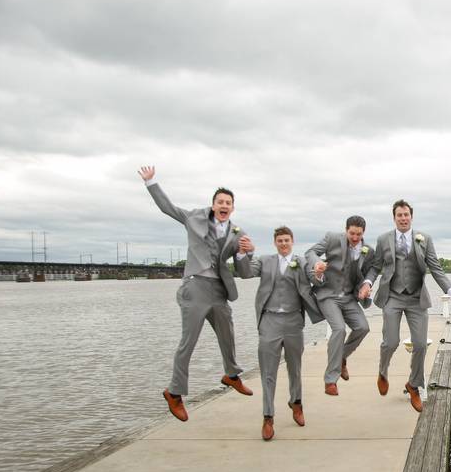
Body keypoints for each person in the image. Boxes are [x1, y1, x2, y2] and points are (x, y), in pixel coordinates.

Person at [137, 165, 254, 423]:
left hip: (219, 291)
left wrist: (246, 252)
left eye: (229, 203)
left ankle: (231, 375)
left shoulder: (238, 233)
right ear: (213, 205)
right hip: (196, 287)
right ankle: (174, 392)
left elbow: (245, 272)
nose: (224, 205)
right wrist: (151, 182)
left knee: (228, 332)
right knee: (188, 342)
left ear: (232, 208)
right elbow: (168, 208)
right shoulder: (194, 218)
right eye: (220, 201)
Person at [363, 200, 451, 412]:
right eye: (399, 215)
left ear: (411, 216)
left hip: (416, 298)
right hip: (392, 296)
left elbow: (435, 268)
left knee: (420, 344)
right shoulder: (383, 240)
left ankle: (414, 385)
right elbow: (375, 267)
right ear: (394, 217)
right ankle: (383, 371)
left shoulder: (424, 239)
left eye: (406, 214)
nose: (403, 218)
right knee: (391, 342)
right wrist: (367, 283)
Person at [236, 226, 323, 440]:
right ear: (275, 243)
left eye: (287, 240)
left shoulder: (301, 262)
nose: (284, 244)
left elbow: (314, 277)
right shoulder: (265, 261)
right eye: (280, 241)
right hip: (269, 320)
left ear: (292, 241)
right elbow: (245, 272)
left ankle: (297, 403)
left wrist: (319, 272)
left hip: (293, 321)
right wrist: (247, 253)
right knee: (268, 372)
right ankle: (268, 416)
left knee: (295, 368)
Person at [305, 216, 375, 396]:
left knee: (363, 328)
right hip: (328, 294)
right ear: (346, 230)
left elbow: (371, 271)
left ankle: (341, 356)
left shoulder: (368, 250)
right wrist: (317, 264)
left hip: (350, 297)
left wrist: (366, 285)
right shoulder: (332, 238)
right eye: (351, 233)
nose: (354, 237)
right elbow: (310, 252)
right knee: (339, 330)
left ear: (363, 232)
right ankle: (330, 380)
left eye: (358, 234)